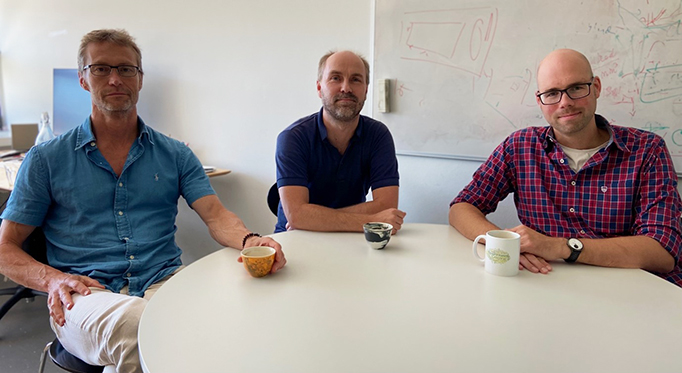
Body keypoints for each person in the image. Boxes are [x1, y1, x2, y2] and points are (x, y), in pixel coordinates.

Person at [0, 29, 286, 373]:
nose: (115, 78)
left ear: (140, 79)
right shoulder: (46, 159)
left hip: (163, 282)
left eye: (126, 69)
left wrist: (250, 240)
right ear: (82, 80)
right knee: (149, 329)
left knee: (230, 326)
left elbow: (216, 215)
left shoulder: (176, 154)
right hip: (83, 295)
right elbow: (6, 250)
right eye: (101, 69)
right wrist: (52, 280)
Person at [449, 49, 682, 287]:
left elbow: (662, 251)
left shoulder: (647, 150)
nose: (565, 103)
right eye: (551, 93)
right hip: (546, 284)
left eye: (577, 88)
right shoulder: (520, 146)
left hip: (628, 290)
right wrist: (508, 245)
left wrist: (560, 246)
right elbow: (462, 206)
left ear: (597, 87)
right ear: (540, 100)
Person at [274, 50, 406, 234]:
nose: (346, 88)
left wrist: (313, 218)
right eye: (336, 78)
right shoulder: (293, 138)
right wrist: (368, 220)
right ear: (319, 88)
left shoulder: (378, 135)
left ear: (366, 90)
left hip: (351, 237)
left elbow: (387, 206)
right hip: (296, 238)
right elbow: (296, 216)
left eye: (356, 79)